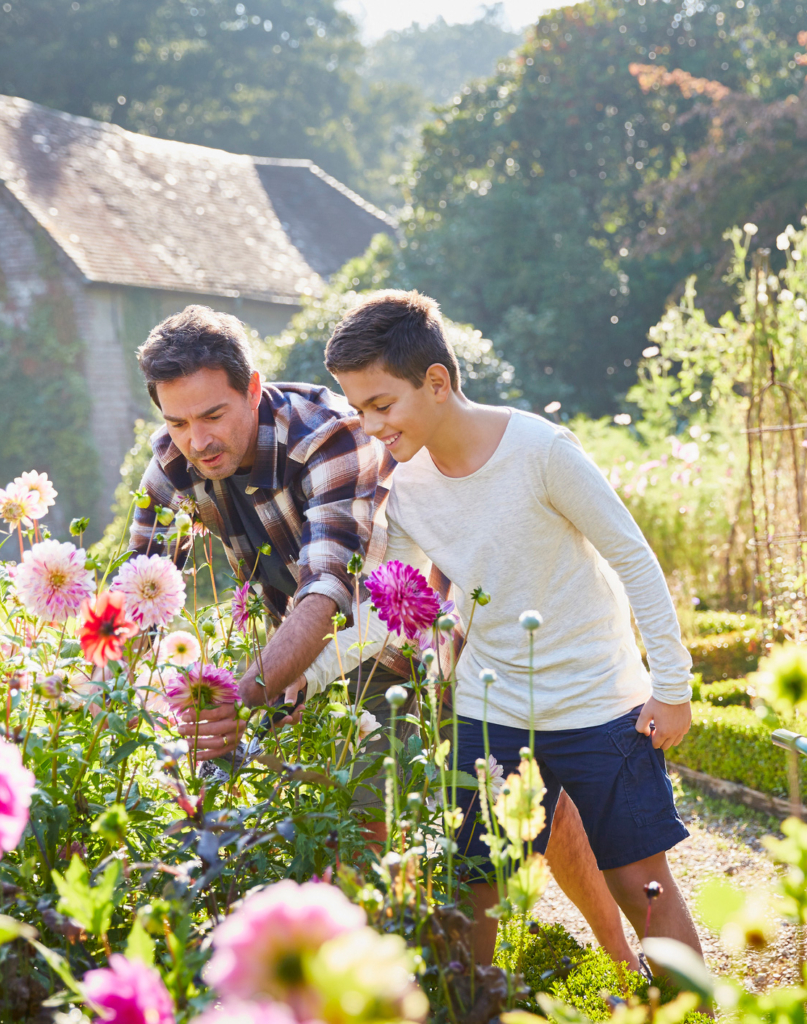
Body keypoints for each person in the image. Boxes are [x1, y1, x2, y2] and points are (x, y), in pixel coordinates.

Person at [127, 302, 643, 968]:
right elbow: (133, 598)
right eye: (176, 421)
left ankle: (622, 962)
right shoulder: (175, 460)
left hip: (406, 637)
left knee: (525, 798)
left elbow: (328, 592)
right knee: (336, 821)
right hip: (306, 660)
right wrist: (102, 693)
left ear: (253, 388)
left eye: (212, 416)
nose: (195, 441)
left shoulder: (327, 437)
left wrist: (244, 693)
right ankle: (388, 975)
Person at [311, 288, 701, 967]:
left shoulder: (541, 450)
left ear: (437, 382)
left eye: (381, 404)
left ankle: (694, 1015)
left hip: (597, 700)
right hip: (489, 708)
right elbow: (381, 611)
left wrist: (671, 684)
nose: (369, 425)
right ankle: (478, 1007)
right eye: (357, 408)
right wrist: (285, 681)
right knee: (474, 884)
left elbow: (633, 557)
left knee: (641, 885)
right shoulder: (406, 490)